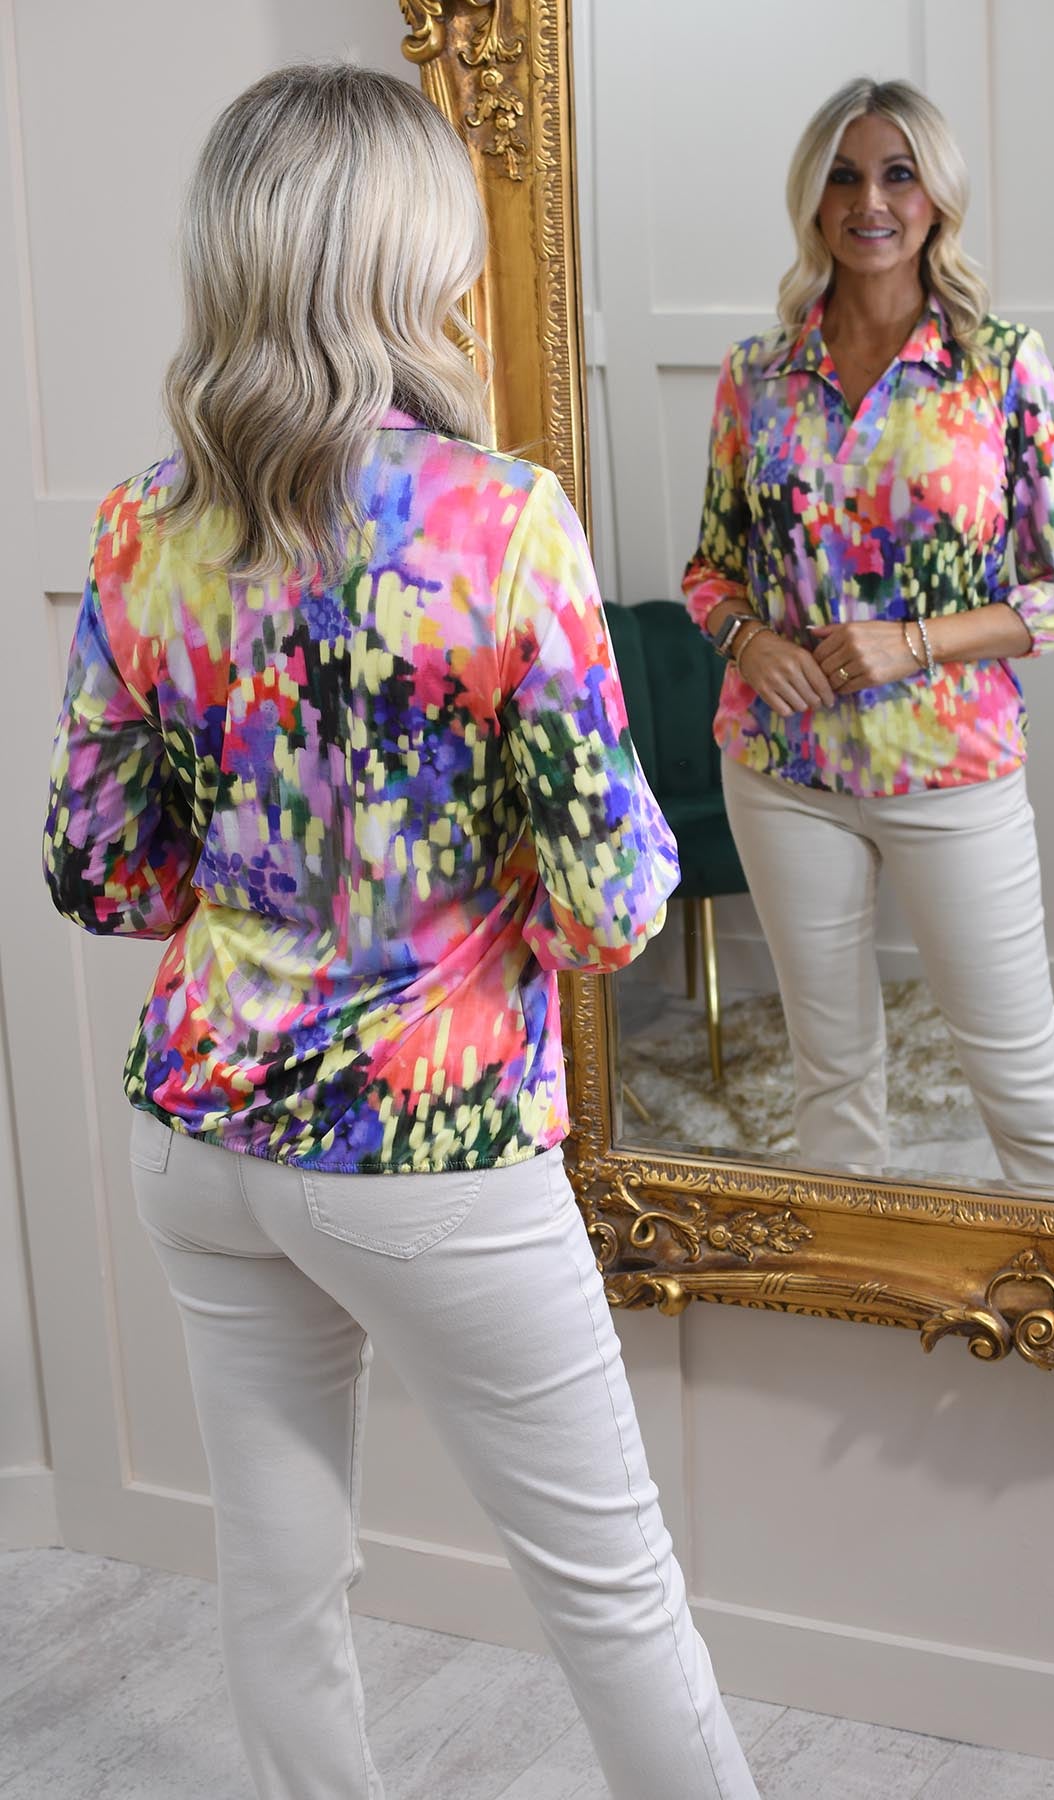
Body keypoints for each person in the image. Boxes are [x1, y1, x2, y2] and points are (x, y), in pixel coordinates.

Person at [43, 64, 761, 1800]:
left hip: (203, 1133)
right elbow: (612, 907)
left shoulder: (143, 524)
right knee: (616, 1598)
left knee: (281, 1589)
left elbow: (102, 875)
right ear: (411, 258)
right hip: (430, 1149)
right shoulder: (500, 521)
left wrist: (273, 857)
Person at [684, 77, 1054, 1198]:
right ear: (813, 198)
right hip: (781, 771)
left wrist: (911, 643)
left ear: (936, 200)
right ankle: (850, 1288)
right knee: (828, 1074)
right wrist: (747, 641)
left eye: (897, 174)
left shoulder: (1002, 365)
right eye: (844, 175)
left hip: (953, 770)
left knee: (1018, 1071)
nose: (869, 201)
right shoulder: (755, 376)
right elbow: (710, 568)